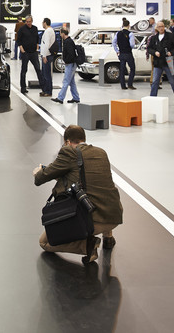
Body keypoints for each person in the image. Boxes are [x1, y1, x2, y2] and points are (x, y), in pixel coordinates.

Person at [33, 125, 123, 263]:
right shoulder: (101, 152)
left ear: (67, 142)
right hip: (114, 216)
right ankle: (108, 237)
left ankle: (87, 246)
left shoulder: (69, 152)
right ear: (83, 139)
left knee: (44, 242)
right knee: (100, 189)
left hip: (92, 221)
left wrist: (38, 172)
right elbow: (86, 177)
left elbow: (40, 179)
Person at [148, 21, 174, 104]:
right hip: (157, 62)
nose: (161, 28)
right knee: (155, 81)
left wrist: (172, 52)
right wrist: (154, 52)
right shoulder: (153, 38)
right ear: (157, 28)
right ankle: (152, 98)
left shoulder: (170, 36)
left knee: (172, 80)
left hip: (168, 62)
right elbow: (149, 48)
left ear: (164, 27)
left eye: (162, 26)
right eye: (159, 26)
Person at [52, 27, 79, 104]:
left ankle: (60, 98)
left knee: (66, 81)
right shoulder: (68, 41)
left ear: (63, 33)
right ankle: (76, 97)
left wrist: (66, 61)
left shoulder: (68, 42)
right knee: (71, 82)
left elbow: (71, 54)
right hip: (71, 64)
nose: (60, 35)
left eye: (60, 33)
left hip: (70, 64)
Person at [16, 16, 42, 94]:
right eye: (27, 21)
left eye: (29, 21)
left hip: (34, 53)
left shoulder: (35, 28)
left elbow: (37, 38)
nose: (28, 23)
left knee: (38, 69)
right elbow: (18, 40)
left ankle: (43, 86)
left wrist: (37, 47)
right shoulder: (22, 29)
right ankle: (23, 87)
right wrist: (22, 49)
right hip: (25, 53)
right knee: (24, 70)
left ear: (32, 21)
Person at [114, 18, 137, 90]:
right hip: (128, 53)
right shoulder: (130, 34)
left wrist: (117, 50)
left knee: (122, 69)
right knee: (132, 68)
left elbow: (113, 42)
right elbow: (132, 44)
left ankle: (123, 85)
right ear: (129, 25)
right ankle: (130, 84)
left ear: (122, 25)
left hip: (121, 53)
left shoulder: (118, 33)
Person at [39, 18, 55, 97]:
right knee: (44, 73)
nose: (42, 24)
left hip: (47, 55)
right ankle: (45, 90)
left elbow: (47, 43)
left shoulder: (48, 31)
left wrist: (44, 55)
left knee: (47, 74)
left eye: (42, 22)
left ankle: (48, 91)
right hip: (46, 54)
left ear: (45, 23)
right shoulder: (50, 30)